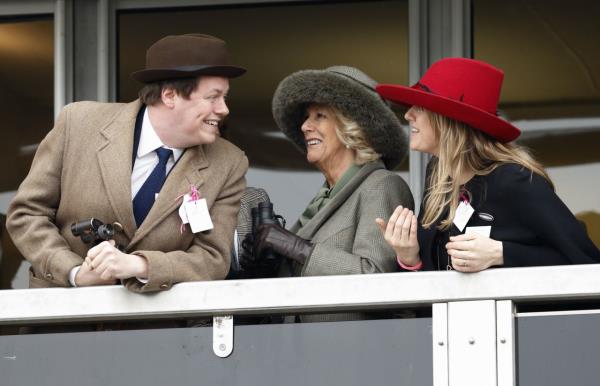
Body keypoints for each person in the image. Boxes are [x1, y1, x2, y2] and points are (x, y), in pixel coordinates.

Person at [6, 34, 249, 292]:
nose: (224, 109)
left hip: (154, 329)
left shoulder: (230, 162)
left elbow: (212, 258)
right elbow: (27, 214)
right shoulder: (78, 123)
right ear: (170, 96)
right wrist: (74, 272)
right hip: (62, 323)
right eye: (213, 97)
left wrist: (140, 265)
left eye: (225, 97)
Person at [375, 57, 600, 272]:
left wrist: (501, 253)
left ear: (450, 120)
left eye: (420, 106)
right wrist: (409, 257)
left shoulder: (514, 179)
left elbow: (587, 261)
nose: (407, 115)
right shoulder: (437, 176)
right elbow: (436, 280)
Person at [243, 66, 414, 321]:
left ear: (351, 128)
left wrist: (297, 248)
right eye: (306, 117)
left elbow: (375, 277)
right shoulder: (323, 199)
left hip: (349, 353)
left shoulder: (381, 185)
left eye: (319, 116)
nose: (305, 126)